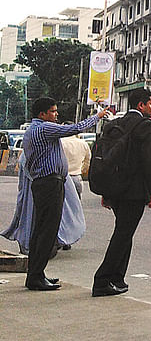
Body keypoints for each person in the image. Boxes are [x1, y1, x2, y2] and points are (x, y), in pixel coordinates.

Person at [21, 97, 109, 291]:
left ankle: (36, 273)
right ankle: (36, 276)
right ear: (42, 114)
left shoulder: (32, 131)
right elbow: (73, 129)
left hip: (45, 183)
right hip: (49, 183)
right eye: (53, 111)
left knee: (42, 230)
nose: (56, 114)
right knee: (47, 231)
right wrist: (98, 116)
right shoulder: (44, 129)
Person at [92, 88, 151, 297]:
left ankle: (117, 278)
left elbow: (109, 159)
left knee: (124, 232)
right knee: (122, 235)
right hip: (134, 191)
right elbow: (148, 160)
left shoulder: (114, 124)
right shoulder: (145, 125)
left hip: (115, 189)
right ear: (141, 105)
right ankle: (102, 280)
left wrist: (106, 191)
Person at [62, 133, 91, 200]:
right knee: (76, 203)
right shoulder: (83, 143)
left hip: (62, 177)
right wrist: (83, 170)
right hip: (77, 176)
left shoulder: (60, 142)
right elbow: (88, 160)